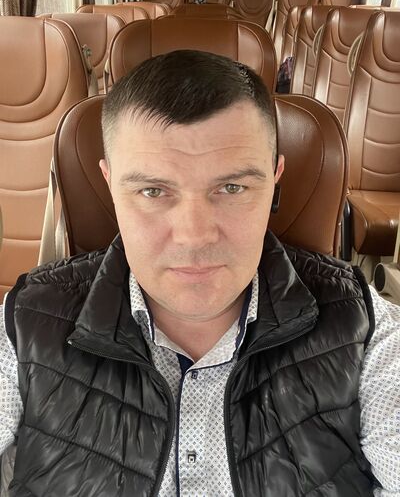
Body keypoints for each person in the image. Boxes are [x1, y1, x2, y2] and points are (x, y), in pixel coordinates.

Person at [0, 50, 399, 496]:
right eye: (153, 191)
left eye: (232, 187)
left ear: (275, 179)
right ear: (110, 185)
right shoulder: (24, 325)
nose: (194, 236)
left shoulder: (364, 330)